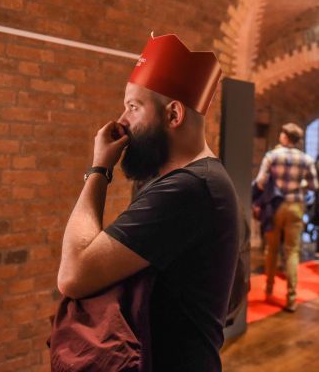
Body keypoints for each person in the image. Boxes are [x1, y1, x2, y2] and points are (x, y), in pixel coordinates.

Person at [50, 34, 241, 372]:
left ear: (174, 114)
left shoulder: (191, 188)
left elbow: (73, 275)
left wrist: (99, 169)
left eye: (134, 107)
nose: (122, 120)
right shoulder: (186, 180)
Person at [254, 123, 318, 312]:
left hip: (275, 206)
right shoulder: (306, 159)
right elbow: (314, 186)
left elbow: (260, 182)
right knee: (292, 252)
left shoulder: (272, 156)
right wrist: (300, 183)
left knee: (272, 250)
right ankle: (291, 298)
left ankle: (269, 289)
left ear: (285, 137)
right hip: (295, 206)